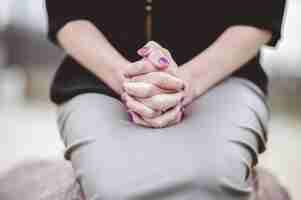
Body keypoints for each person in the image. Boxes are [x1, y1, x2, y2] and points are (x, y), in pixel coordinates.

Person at [45, 1, 286, 199]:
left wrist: (185, 82)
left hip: (222, 75)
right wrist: (130, 81)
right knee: (114, 187)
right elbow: (67, 15)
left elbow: (259, 15)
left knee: (211, 181)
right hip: (99, 77)